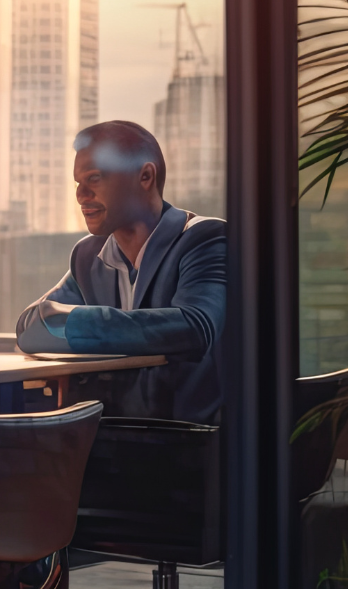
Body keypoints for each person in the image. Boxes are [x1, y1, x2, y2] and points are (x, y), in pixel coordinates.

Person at [15, 120, 226, 423]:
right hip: (110, 436)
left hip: (188, 442)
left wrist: (70, 323)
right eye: (78, 183)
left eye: (95, 178)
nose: (81, 194)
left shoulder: (204, 238)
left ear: (145, 176)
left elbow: (195, 327)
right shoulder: (87, 255)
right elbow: (29, 326)